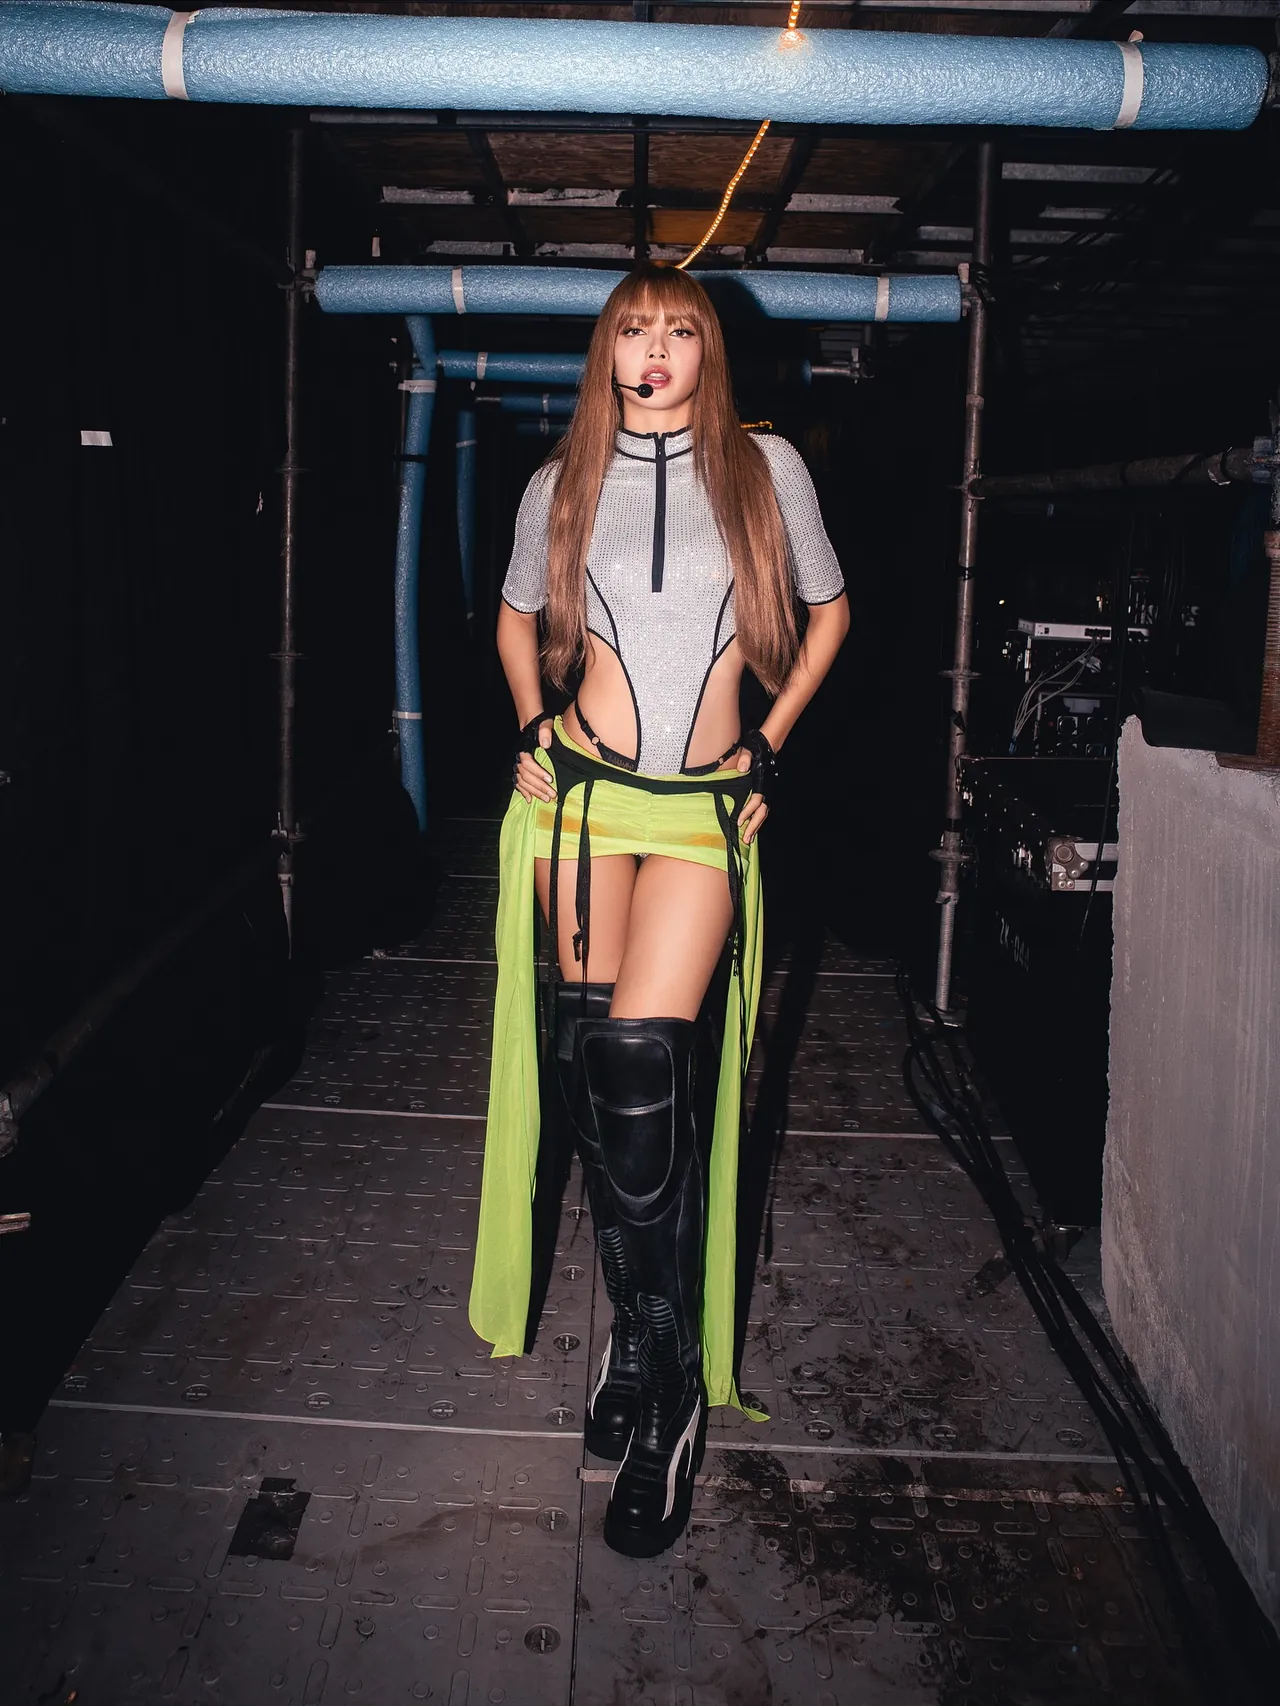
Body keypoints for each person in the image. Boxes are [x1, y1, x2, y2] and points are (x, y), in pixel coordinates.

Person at [469, 264, 849, 1557]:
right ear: (606, 352)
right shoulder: (561, 480)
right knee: (595, 1086)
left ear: (707, 351)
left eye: (679, 330)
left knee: (641, 1060)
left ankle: (671, 1385)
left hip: (698, 811)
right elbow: (514, 621)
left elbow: (830, 614)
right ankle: (642, 1339)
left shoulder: (766, 469)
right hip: (580, 802)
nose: (654, 350)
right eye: (633, 329)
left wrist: (771, 746)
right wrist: (531, 725)